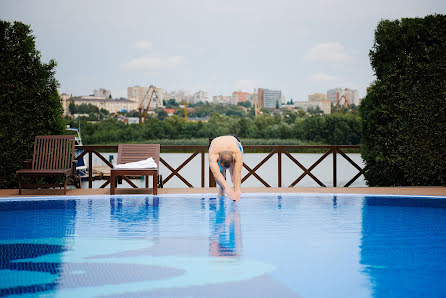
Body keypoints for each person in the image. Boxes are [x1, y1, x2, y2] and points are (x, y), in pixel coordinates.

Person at [209, 135, 243, 202]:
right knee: (222, 182)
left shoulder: (237, 153)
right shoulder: (213, 155)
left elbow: (238, 172)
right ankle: (221, 199)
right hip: (216, 144)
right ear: (218, 160)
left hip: (235, 142)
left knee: (234, 176)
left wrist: (237, 188)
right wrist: (227, 188)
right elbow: (216, 174)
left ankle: (235, 200)